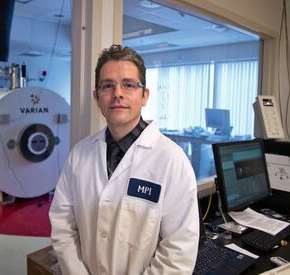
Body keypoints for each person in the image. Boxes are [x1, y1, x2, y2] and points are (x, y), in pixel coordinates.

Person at [49, 44, 199, 275]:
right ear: (97, 97)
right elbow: (63, 226)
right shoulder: (79, 154)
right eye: (107, 85)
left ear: (144, 95)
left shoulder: (171, 161)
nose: (117, 93)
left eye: (128, 85)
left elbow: (178, 252)